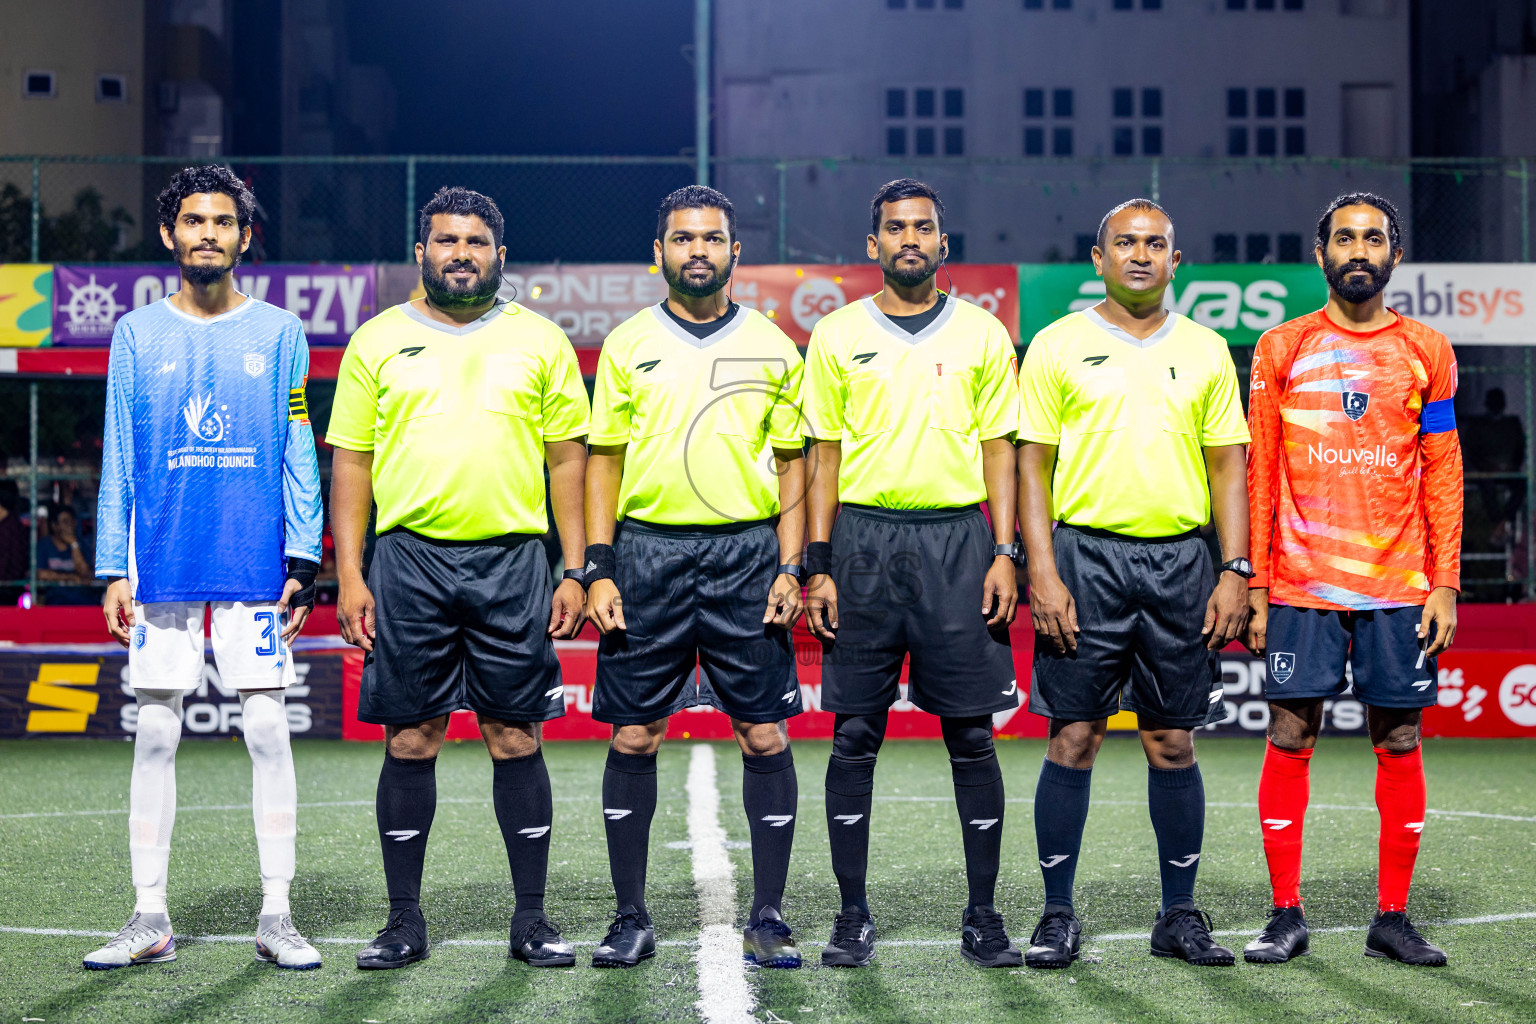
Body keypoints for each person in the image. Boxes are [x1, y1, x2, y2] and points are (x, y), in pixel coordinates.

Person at [328, 186, 590, 970]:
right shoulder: (376, 342)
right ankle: (404, 921)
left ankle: (532, 921)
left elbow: (567, 462)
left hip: (513, 561)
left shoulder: (541, 341)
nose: (461, 253)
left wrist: (574, 570)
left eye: (477, 241)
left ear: (500, 255)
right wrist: (349, 571)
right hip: (408, 562)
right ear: (422, 251)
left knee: (515, 734)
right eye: (446, 240)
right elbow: (351, 464)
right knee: (412, 736)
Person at [86, 165, 324, 970]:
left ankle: (278, 913)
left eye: (223, 222)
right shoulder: (135, 334)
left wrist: (305, 553)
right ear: (170, 234)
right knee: (155, 730)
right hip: (161, 562)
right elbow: (119, 451)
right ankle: (149, 916)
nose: (208, 233)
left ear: (244, 237)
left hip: (254, 562)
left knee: (265, 727)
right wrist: (110, 566)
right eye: (194, 220)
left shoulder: (282, 333)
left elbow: (298, 443)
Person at [1018, 199, 1251, 970]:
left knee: (1173, 742)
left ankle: (1177, 915)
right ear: (1099, 258)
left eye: (1156, 244)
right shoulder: (1056, 345)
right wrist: (1040, 569)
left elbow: (1228, 467)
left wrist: (1234, 569)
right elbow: (1032, 466)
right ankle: (1057, 915)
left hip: (1183, 564)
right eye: (1127, 243)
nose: (1142, 255)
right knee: (1074, 736)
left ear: (1176, 261)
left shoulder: (1210, 350)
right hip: (1084, 561)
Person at [584, 185, 808, 969]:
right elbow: (602, 460)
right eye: (682, 238)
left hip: (747, 557)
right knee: (636, 733)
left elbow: (792, 465)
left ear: (734, 252)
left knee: (763, 731)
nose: (698, 251)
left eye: (712, 238)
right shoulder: (627, 343)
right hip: (647, 556)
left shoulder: (776, 346)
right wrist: (599, 568)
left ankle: (770, 916)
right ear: (660, 253)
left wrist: (792, 563)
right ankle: (630, 917)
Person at [803, 178, 1022, 969]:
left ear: (943, 243)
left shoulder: (984, 335)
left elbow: (1001, 447)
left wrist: (1005, 550)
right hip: (861, 542)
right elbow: (821, 455)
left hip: (958, 543)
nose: (909, 240)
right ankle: (851, 914)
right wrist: (816, 564)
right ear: (874, 245)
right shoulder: (834, 335)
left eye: (923, 228)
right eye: (895, 228)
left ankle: (983, 915)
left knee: (970, 734)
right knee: (855, 733)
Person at [1243, 193, 1462, 967]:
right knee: (1289, 734)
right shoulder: (1282, 347)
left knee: (1399, 737)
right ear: (1321, 254)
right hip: (1302, 584)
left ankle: (1392, 918)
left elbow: (1442, 468)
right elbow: (1259, 471)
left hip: (1400, 584)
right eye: (1345, 238)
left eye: (1373, 237)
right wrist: (1257, 583)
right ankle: (1284, 913)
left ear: (1394, 256)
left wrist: (1445, 581)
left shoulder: (1428, 350)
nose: (1358, 249)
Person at [1463, 387, 1525, 547]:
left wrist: (1512, 466)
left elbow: (1520, 448)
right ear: (1487, 404)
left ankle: (1502, 523)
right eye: (1493, 401)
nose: (1497, 405)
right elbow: (1472, 451)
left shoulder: (1512, 423)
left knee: (1522, 484)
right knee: (1487, 487)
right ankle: (1500, 524)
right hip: (1486, 472)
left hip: (1509, 470)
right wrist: (1487, 467)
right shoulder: (1478, 425)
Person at [37, 502, 96, 603]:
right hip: (55, 600)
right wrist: (71, 577)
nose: (69, 526)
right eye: (65, 522)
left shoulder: (81, 544)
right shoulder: (44, 545)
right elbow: (41, 574)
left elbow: (85, 572)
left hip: (83, 600)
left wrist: (74, 544)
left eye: (71, 522)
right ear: (54, 526)